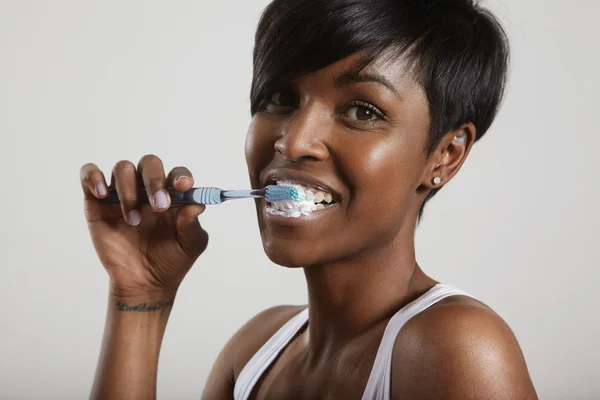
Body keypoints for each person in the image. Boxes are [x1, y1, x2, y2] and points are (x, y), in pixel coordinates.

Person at [81, 0, 538, 398]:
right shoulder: (254, 353)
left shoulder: (457, 348)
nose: (294, 141)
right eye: (280, 97)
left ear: (445, 154)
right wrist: (140, 297)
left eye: (363, 110)